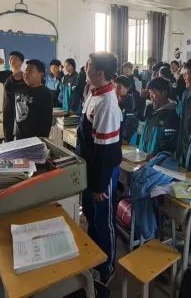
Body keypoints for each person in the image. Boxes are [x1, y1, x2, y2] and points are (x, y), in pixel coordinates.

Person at [75, 52, 122, 286]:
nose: (85, 69)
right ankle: (95, 257)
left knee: (104, 222)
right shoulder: (93, 93)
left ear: (100, 73)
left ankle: (107, 268)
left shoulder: (107, 104)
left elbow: (106, 150)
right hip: (90, 168)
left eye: (89, 66)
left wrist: (100, 185)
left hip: (102, 173)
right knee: (91, 216)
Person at [5, 60, 53, 140]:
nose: (26, 73)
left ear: (41, 75)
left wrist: (41, 140)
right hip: (19, 136)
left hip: (34, 139)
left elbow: (46, 121)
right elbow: (7, 87)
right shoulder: (21, 86)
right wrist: (13, 77)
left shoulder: (44, 93)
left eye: (30, 70)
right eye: (25, 70)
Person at [138, 77, 180, 157]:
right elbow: (139, 117)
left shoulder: (170, 115)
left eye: (153, 92)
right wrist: (141, 99)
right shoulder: (152, 109)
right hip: (144, 156)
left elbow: (169, 142)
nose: (150, 96)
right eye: (149, 92)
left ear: (163, 93)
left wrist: (155, 155)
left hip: (157, 160)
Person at [114, 76, 139, 145]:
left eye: (119, 87)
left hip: (125, 137)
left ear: (127, 89)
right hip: (115, 134)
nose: (116, 90)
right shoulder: (114, 100)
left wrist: (126, 138)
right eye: (115, 87)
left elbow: (131, 121)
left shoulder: (130, 102)